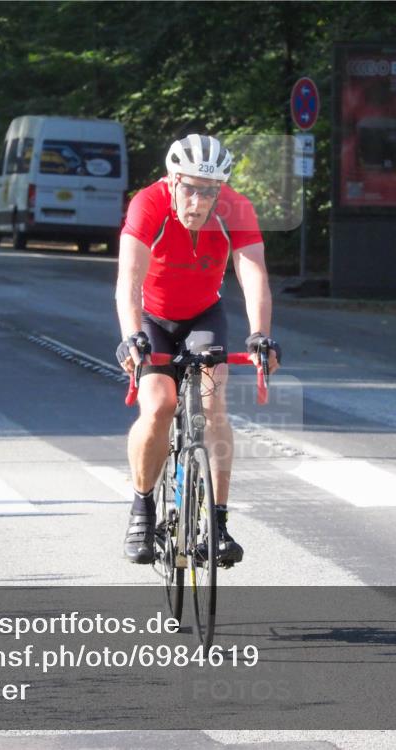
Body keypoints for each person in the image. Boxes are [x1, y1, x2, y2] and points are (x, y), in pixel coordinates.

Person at [115, 134, 281, 566]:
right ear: (172, 181)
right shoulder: (147, 205)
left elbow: (253, 272)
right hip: (153, 317)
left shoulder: (236, 209)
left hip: (204, 314)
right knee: (158, 406)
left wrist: (260, 334)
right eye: (189, 187)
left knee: (213, 405)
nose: (199, 199)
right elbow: (129, 280)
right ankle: (142, 506)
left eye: (210, 191)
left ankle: (219, 524)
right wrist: (132, 335)